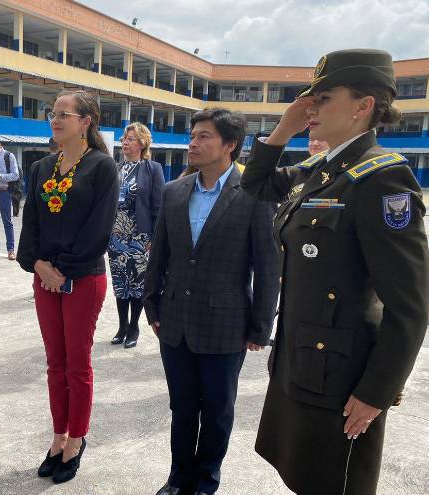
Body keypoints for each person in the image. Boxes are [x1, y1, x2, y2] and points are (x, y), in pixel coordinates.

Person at [240, 49, 429, 495]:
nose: (311, 107)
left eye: (323, 99)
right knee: (305, 478)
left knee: (335, 484)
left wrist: (377, 392)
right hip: (303, 362)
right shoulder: (320, 170)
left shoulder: (382, 179)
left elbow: (409, 305)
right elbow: (256, 184)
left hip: (343, 379)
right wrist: (284, 128)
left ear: (363, 105)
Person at [143, 108, 280, 495]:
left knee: (218, 412)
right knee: (182, 408)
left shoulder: (253, 194)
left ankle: (206, 482)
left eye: (203, 136)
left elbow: (267, 266)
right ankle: (178, 478)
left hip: (226, 325)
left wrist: (260, 327)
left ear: (229, 145)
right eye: (192, 136)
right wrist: (152, 307)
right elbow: (159, 256)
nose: (193, 143)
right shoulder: (175, 191)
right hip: (175, 322)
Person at [17, 90, 119, 484]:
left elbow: (99, 229)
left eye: (64, 114)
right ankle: (58, 435)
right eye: (53, 113)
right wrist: (38, 264)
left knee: (77, 364)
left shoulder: (102, 167)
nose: (55, 120)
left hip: (83, 278)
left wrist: (63, 270)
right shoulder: (42, 167)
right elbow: (31, 222)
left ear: (85, 122)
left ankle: (77, 438)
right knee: (54, 363)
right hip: (45, 278)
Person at [109, 122, 164, 349]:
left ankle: (134, 327)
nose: (125, 142)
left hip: (140, 237)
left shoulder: (152, 169)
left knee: (137, 284)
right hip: (116, 237)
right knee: (120, 283)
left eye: (130, 139)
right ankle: (122, 326)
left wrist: (154, 238)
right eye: (124, 139)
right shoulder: (116, 168)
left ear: (142, 143)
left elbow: (159, 206)